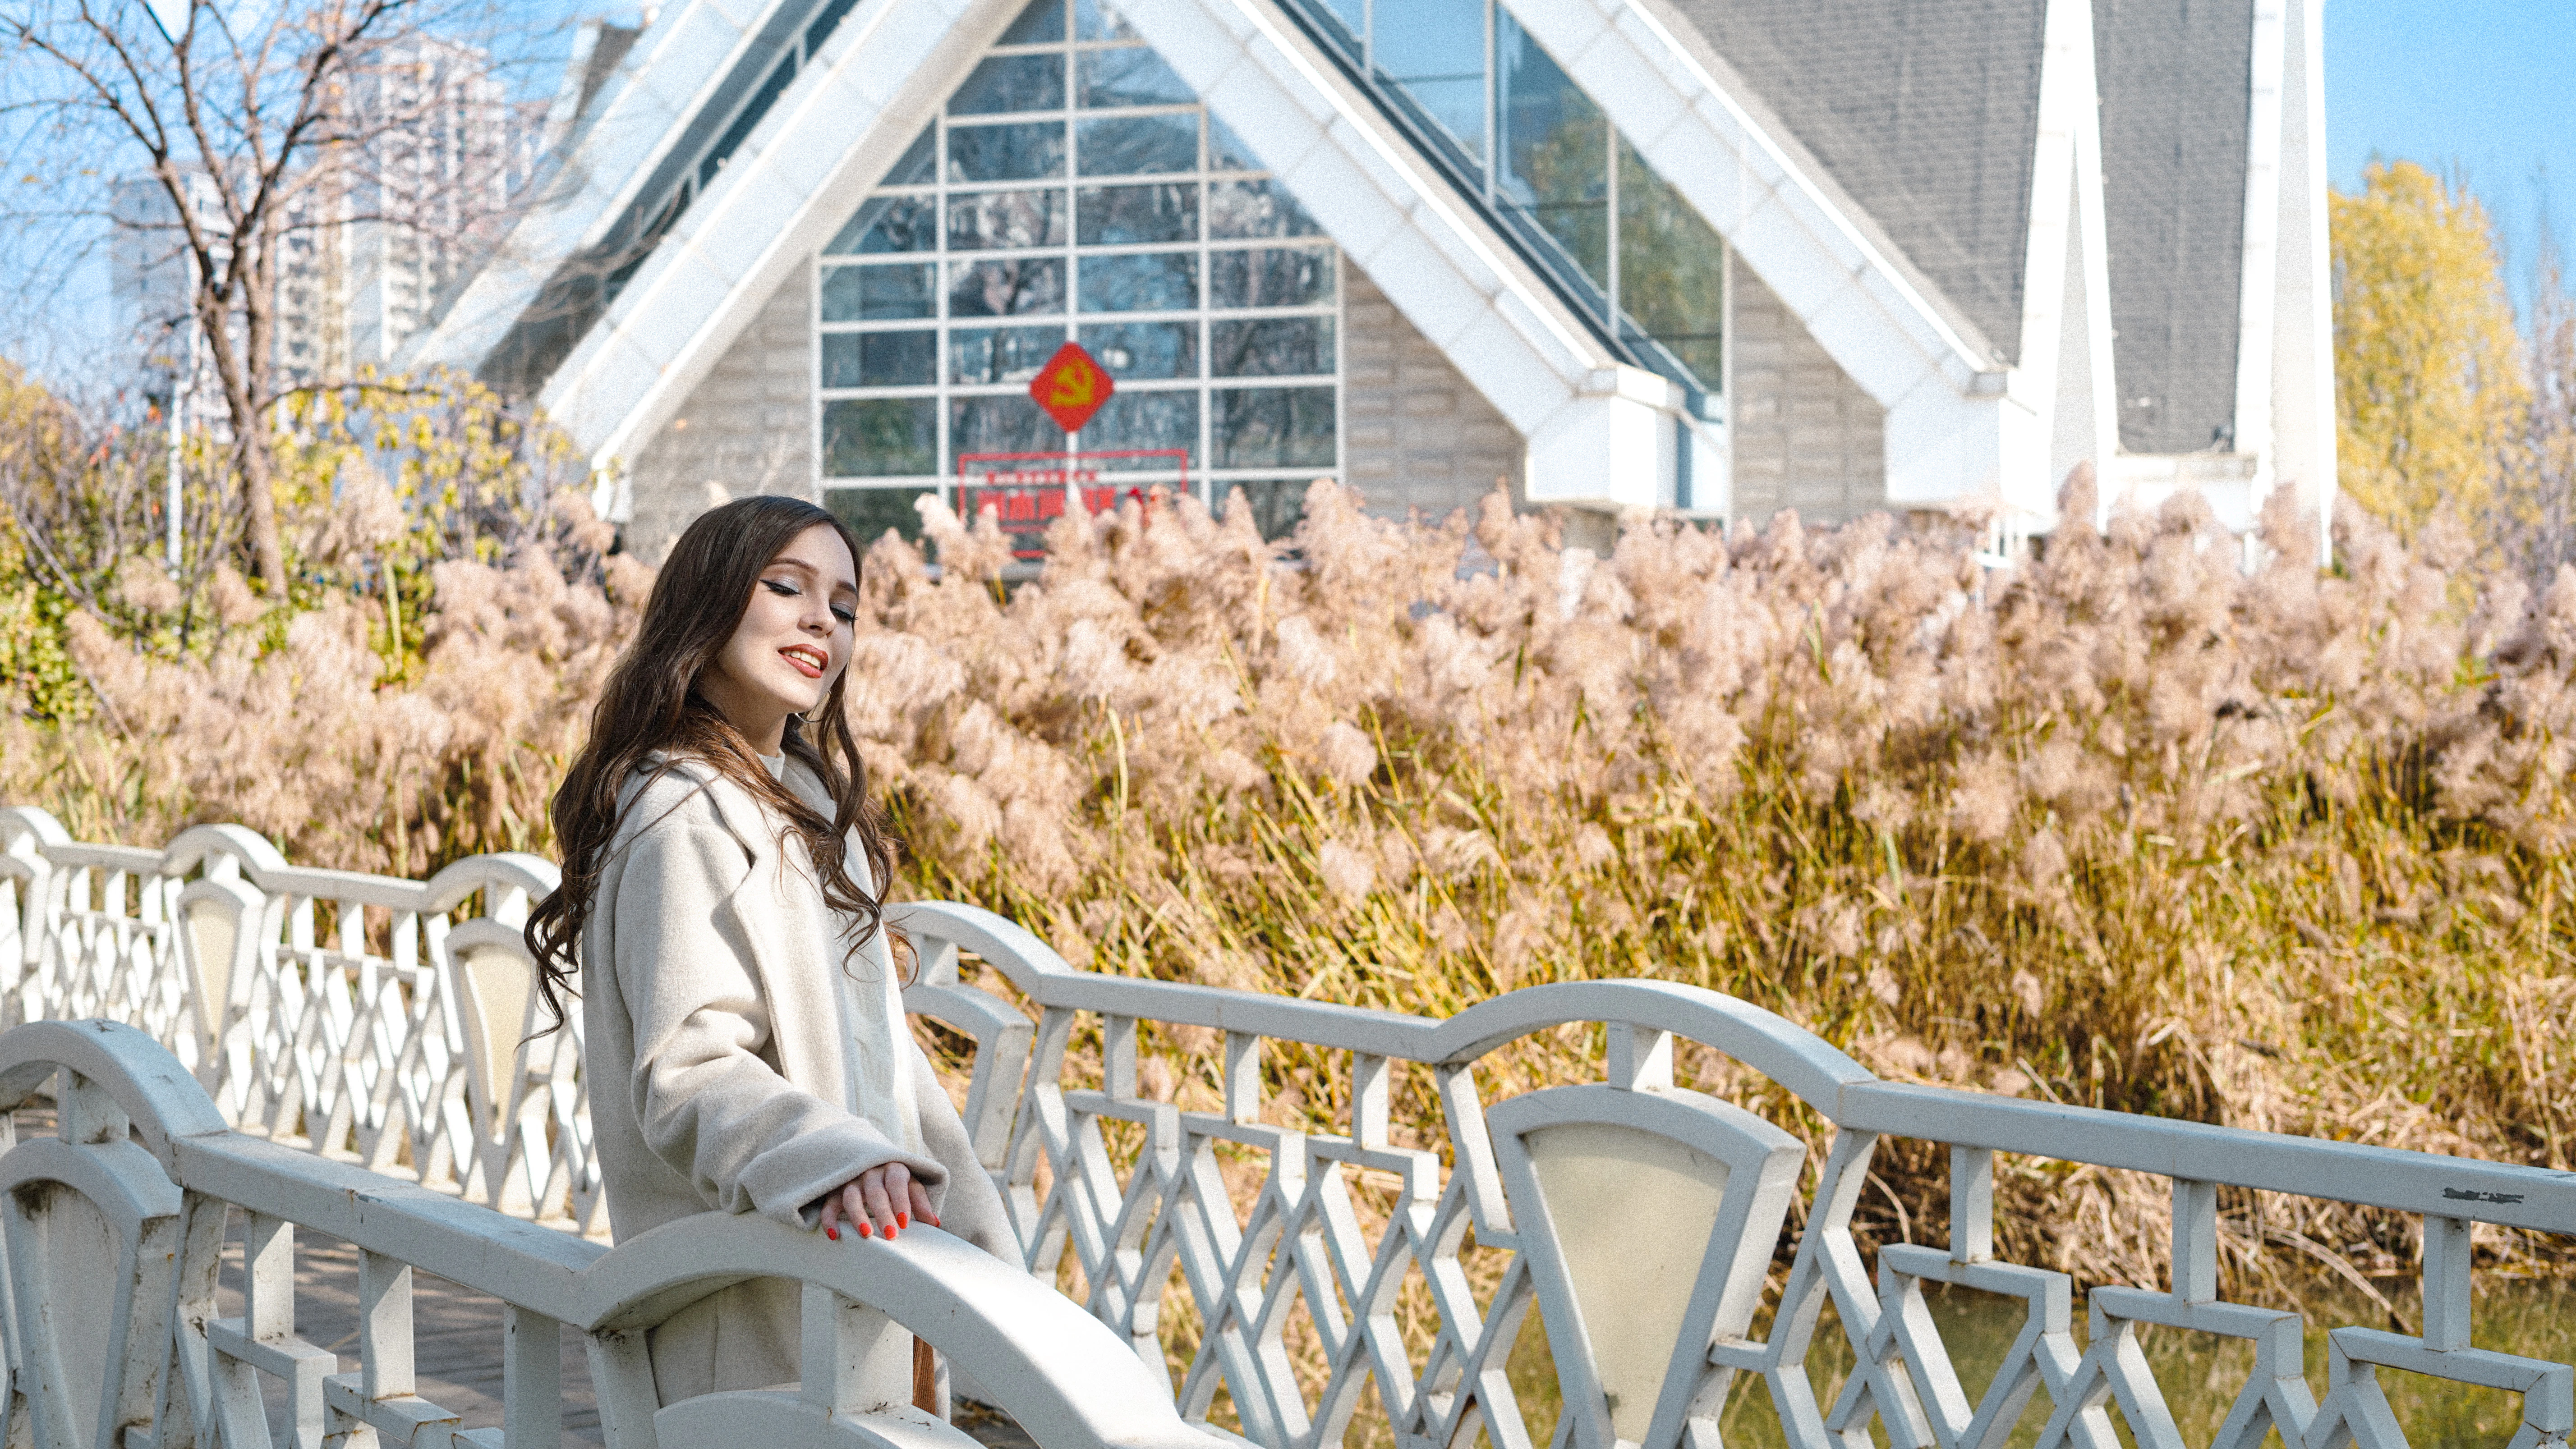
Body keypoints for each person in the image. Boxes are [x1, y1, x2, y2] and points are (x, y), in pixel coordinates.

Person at [524, 495, 1012, 1405]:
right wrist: (830, 1155)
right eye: (785, 585)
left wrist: (981, 1240)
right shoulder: (678, 815)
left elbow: (883, 1056)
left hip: (863, 1273)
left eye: (844, 604)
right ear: (704, 610)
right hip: (752, 1315)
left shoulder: (810, 810)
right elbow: (689, 1068)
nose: (820, 619)